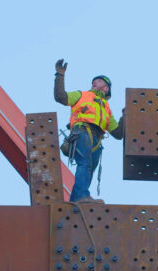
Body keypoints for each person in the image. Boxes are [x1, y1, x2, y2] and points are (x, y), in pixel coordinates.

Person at [54, 59, 124, 203]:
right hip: (82, 132)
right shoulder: (82, 95)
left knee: (89, 168)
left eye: (98, 81)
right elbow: (61, 97)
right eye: (94, 81)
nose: (94, 82)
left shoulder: (106, 108)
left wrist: (126, 115)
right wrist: (60, 75)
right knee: (85, 164)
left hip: (97, 139)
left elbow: (118, 133)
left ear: (106, 88)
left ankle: (76, 201)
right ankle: (81, 196)